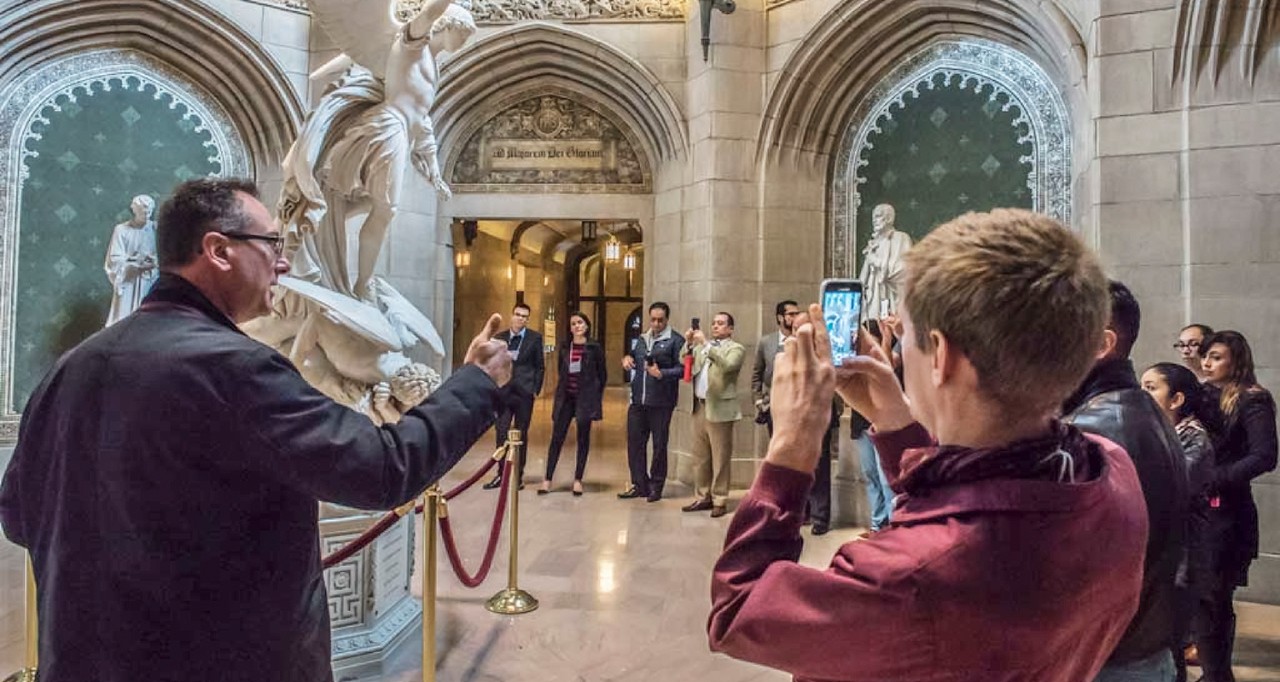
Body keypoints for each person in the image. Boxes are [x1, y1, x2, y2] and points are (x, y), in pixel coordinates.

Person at [0, 178, 512, 682]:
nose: (283, 263)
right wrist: (475, 383)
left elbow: (18, 514)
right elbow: (384, 468)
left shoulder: (72, 366)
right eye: (272, 245)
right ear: (219, 250)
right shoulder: (235, 367)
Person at [709, 209, 1148, 681]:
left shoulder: (907, 578)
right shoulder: (1114, 472)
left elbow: (739, 610)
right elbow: (973, 498)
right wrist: (896, 422)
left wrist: (792, 446)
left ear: (939, 354)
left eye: (909, 338)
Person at [1063, 280, 1188, 682]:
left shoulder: (1093, 429)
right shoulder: (1139, 409)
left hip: (1109, 661)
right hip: (1140, 652)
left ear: (1101, 344)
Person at [1196, 330, 1277, 682]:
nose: (1206, 362)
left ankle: (1217, 675)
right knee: (1199, 599)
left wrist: (1216, 478)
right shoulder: (1201, 394)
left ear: (1236, 359)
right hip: (1197, 510)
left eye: (1215, 356)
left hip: (1227, 513)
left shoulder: (1252, 399)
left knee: (1215, 598)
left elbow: (1264, 456)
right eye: (1205, 356)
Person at [1140, 362, 1220, 681]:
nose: (1142, 394)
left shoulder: (1194, 437)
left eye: (1151, 388)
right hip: (1161, 549)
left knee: (1172, 641)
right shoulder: (1158, 431)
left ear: (1176, 399)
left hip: (1184, 552)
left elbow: (1174, 487)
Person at [681, 312, 745, 518]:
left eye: (721, 323)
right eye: (714, 323)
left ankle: (720, 498)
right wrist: (689, 343)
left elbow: (728, 367)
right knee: (700, 456)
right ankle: (703, 495)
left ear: (730, 329)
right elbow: (685, 363)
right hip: (699, 406)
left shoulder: (735, 348)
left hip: (720, 409)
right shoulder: (701, 348)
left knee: (720, 457)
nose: (716, 326)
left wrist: (707, 345)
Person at [619, 301, 684, 502]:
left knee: (659, 445)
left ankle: (656, 485)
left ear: (667, 319)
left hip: (661, 403)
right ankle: (640, 484)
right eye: (653, 319)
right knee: (635, 444)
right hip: (638, 401)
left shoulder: (676, 340)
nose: (656, 324)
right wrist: (627, 359)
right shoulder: (642, 338)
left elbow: (683, 369)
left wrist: (661, 373)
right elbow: (635, 358)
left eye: (660, 320)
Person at [540, 311, 606, 495]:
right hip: (566, 398)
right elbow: (562, 372)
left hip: (584, 399)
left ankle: (578, 479)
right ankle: (547, 478)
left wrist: (595, 397)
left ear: (586, 325)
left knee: (583, 439)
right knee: (556, 438)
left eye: (580, 322)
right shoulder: (564, 347)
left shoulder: (594, 348)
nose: (577, 326)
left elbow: (602, 375)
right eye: (573, 323)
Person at [483, 302, 545, 490]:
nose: (521, 318)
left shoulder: (534, 338)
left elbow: (539, 365)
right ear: (512, 316)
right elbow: (491, 364)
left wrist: (535, 388)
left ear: (528, 319)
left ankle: (517, 476)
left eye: (525, 316)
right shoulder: (500, 338)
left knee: (521, 434)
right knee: (501, 433)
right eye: (518, 314)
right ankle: (501, 474)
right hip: (503, 393)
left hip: (524, 393)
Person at [104, 194, 159, 326]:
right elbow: (114, 258)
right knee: (124, 321)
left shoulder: (157, 229)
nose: (146, 215)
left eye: (149, 212)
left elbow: (167, 254)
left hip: (151, 281)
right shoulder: (122, 230)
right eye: (143, 212)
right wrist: (135, 263)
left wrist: (154, 261)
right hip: (129, 281)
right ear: (134, 210)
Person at [751, 300, 799, 431]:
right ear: (780, 317)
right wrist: (758, 400)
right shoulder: (766, 342)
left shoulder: (803, 341)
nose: (795, 318)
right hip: (773, 404)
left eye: (797, 314)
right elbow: (757, 373)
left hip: (797, 404)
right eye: (791, 314)